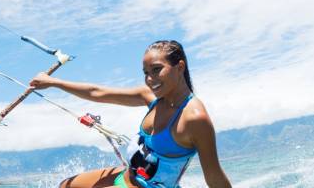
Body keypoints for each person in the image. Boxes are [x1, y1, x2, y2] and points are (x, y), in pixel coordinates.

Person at [30, 40, 231, 188]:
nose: (150, 79)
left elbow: (214, 177)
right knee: (66, 185)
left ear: (179, 67)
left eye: (156, 69)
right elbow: (97, 92)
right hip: (127, 176)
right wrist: (53, 83)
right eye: (146, 72)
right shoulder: (152, 97)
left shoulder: (194, 118)